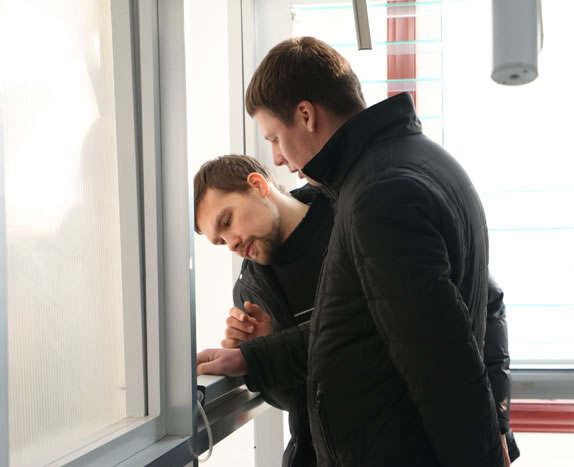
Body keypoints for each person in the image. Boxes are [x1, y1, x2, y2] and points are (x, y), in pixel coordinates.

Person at [195, 155, 519, 466]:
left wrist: (496, 422)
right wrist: (266, 350)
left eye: (228, 221)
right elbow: (299, 403)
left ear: (257, 185)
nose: (232, 243)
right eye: (220, 241)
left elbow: (483, 303)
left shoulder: (358, 210)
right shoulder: (250, 293)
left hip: (421, 444)